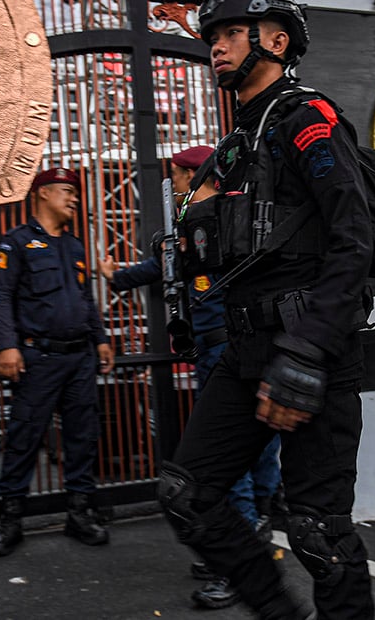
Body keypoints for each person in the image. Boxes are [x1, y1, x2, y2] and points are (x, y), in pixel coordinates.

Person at [157, 0, 375, 619]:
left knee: (318, 531)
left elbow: (353, 240)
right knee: (186, 493)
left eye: (229, 34)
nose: (216, 48)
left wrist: (308, 352)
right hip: (246, 349)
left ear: (275, 42)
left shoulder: (308, 120)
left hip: (313, 350)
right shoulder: (235, 144)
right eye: (211, 38)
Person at [99, 145, 282, 610]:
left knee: (225, 461)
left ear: (188, 176)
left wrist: (121, 276)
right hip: (236, 346)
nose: (175, 184)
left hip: (224, 349)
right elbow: (171, 265)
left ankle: (235, 562)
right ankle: (251, 533)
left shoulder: (204, 219)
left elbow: (173, 264)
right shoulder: (220, 218)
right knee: (256, 450)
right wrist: (122, 277)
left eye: (177, 177)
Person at [0, 167, 115, 558]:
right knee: (25, 436)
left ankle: (79, 512)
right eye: (65, 191)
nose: (74, 198)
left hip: (79, 356)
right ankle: (10, 518)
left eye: (75, 193)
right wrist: (6, 346)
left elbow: (85, 298)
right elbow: (1, 297)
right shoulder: (16, 243)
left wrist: (102, 338)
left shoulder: (74, 247)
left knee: (81, 435)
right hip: (38, 356)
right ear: (42, 194)